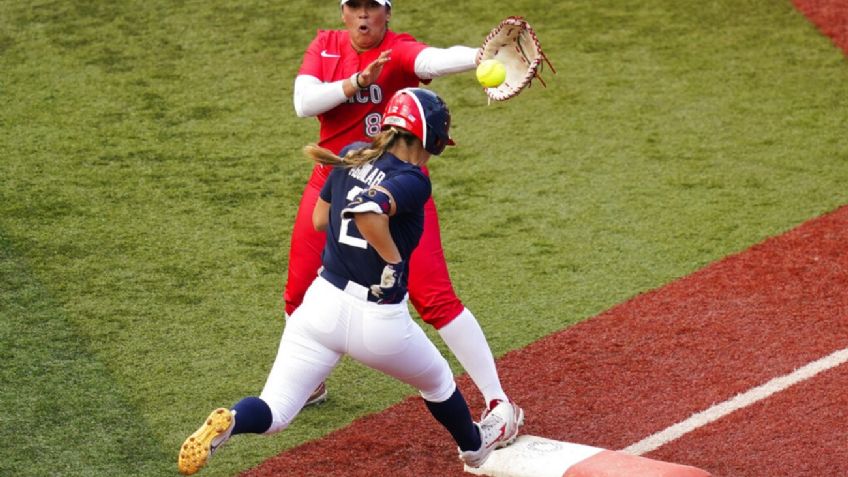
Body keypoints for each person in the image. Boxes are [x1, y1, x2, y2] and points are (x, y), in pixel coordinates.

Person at [178, 88, 519, 476]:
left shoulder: (356, 152)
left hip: (320, 306)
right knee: (438, 381)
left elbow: (321, 220)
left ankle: (234, 420)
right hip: (378, 322)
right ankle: (474, 448)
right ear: (430, 137)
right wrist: (392, 257)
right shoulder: (413, 178)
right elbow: (367, 211)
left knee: (274, 411)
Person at [289, 0, 520, 425]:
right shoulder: (324, 45)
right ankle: (310, 382)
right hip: (335, 177)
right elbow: (304, 103)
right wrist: (357, 82)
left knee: (434, 298)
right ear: (343, 13)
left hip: (398, 188)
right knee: (298, 289)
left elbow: (432, 58)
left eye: (372, 7)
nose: (363, 15)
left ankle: (497, 401)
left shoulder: (398, 49)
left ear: (387, 13)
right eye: (354, 6)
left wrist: (478, 57)